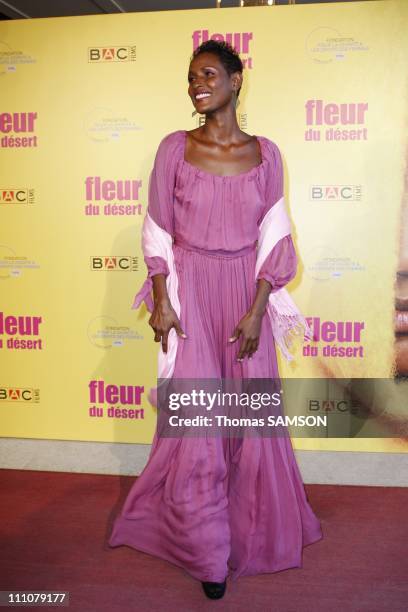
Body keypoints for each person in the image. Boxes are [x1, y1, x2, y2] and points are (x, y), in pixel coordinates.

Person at [108, 40, 323, 600]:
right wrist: (161, 297)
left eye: (207, 74)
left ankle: (247, 528)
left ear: (235, 80)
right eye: (190, 77)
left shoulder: (267, 154)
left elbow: (274, 238)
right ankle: (207, 552)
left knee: (248, 416)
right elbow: (156, 228)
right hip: (190, 291)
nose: (196, 84)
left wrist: (257, 312)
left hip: (244, 297)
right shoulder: (174, 148)